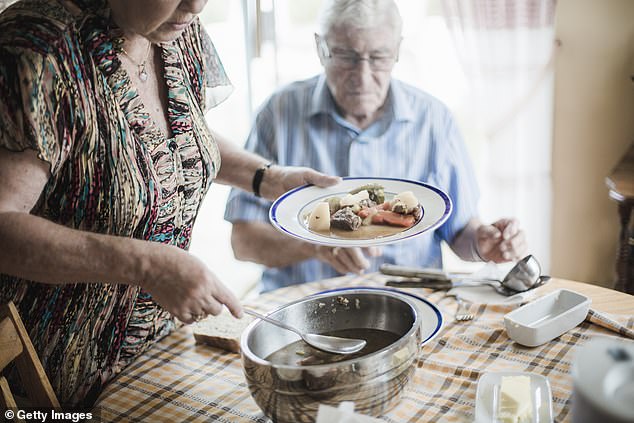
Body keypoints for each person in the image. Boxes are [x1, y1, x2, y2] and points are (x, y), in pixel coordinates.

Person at [0, 0, 338, 407]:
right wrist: (146, 264)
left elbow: (172, 139)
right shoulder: (36, 50)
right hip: (47, 380)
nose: (196, 5)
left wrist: (266, 177)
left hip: (151, 354)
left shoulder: (174, 29)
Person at [224, 0, 528, 293]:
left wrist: (484, 245)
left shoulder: (434, 120)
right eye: (346, 56)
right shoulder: (277, 113)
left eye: (379, 57)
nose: (363, 76)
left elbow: (461, 232)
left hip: (408, 301)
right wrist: (314, 246)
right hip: (300, 304)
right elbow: (243, 240)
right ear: (321, 48)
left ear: (397, 50)